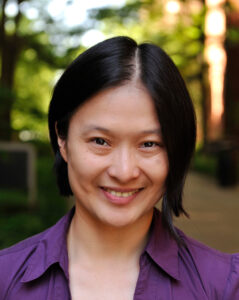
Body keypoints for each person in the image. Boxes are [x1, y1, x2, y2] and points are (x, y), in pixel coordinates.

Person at [0, 36, 238, 300]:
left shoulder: (223, 286)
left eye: (149, 144)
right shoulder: (5, 280)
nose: (124, 172)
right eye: (100, 141)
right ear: (62, 140)